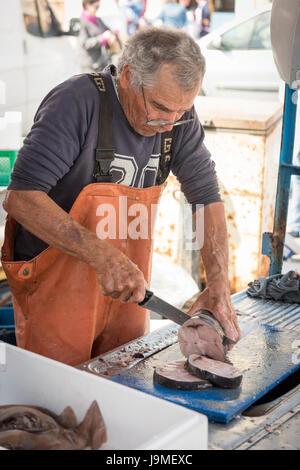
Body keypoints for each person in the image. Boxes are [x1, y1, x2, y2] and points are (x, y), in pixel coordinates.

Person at [2, 27, 241, 366]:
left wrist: (218, 285)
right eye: (160, 107)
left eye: (182, 111)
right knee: (60, 402)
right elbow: (21, 198)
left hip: (128, 293)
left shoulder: (177, 118)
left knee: (127, 387)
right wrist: (102, 255)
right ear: (128, 75)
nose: (171, 123)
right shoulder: (77, 103)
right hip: (57, 291)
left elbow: (205, 197)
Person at [78, 0, 120, 73]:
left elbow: (107, 30)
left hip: (101, 62)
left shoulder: (98, 20)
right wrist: (102, 38)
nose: (98, 9)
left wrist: (112, 35)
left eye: (99, 7)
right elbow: (84, 44)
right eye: (96, 7)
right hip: (89, 65)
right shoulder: (81, 22)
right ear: (87, 5)